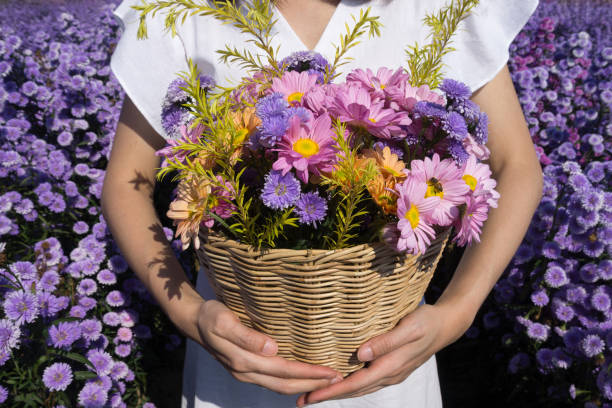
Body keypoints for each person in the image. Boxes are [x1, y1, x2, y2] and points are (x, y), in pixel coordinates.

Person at [101, 0, 543, 406]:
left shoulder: (434, 7)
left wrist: (456, 312)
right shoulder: (187, 11)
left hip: (390, 360)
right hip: (238, 361)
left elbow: (517, 166)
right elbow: (126, 181)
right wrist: (190, 315)